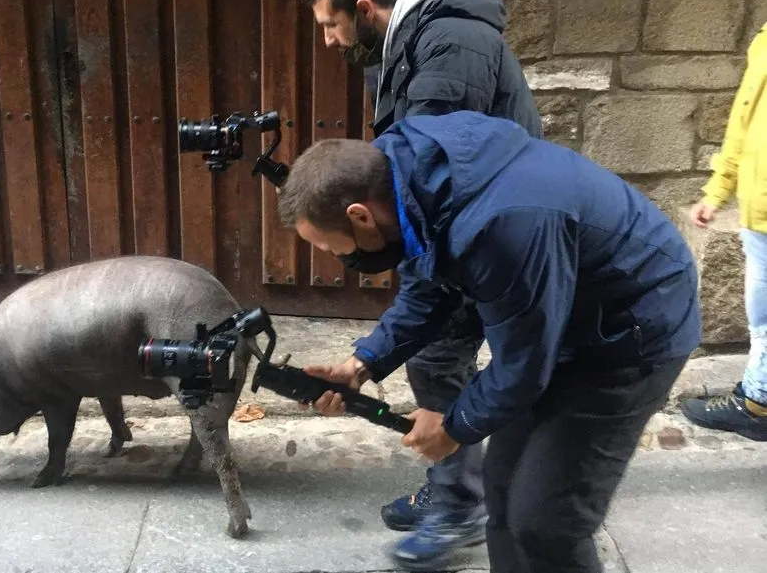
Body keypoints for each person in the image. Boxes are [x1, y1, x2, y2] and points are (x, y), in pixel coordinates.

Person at [275, 110, 702, 573]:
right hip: (561, 319)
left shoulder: (501, 223)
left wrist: (452, 427)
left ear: (360, 215)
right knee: (502, 488)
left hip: (631, 333)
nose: (339, 260)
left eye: (332, 248)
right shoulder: (407, 180)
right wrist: (362, 363)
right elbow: (428, 286)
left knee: (547, 522)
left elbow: (523, 365)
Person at [298, 0, 542, 568]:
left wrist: (399, 254)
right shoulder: (399, 46)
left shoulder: (449, 45)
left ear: (364, 8)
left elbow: (435, 173)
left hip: (486, 234)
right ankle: (452, 484)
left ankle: (462, 504)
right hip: (460, 227)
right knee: (432, 354)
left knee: (439, 359)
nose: (327, 41)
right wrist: (364, 361)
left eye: (330, 24)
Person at [680, 22, 767, 442]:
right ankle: (758, 399)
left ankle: (758, 401)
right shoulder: (766, 40)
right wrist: (718, 191)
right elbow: (744, 123)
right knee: (762, 315)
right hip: (759, 212)